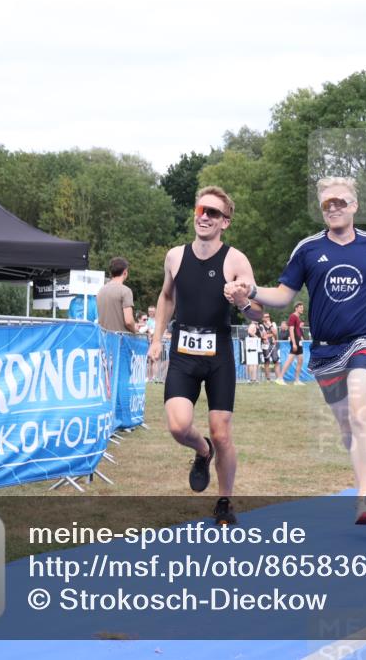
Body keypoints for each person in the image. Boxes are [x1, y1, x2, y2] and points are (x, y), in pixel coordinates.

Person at [226, 176, 366, 524]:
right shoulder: (306, 249)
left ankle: (363, 498)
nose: (333, 208)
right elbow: (283, 295)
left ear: (354, 206)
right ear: (322, 210)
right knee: (347, 428)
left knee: (361, 411)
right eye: (327, 204)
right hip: (324, 352)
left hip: (365, 341)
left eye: (340, 202)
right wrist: (252, 293)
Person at [147, 186, 258, 525]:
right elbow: (166, 298)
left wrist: (240, 301)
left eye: (213, 213)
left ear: (225, 221)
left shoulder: (236, 260)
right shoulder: (175, 256)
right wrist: (157, 338)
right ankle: (202, 450)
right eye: (201, 211)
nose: (205, 217)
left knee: (222, 431)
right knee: (179, 427)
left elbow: (257, 313)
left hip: (219, 353)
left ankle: (224, 501)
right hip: (182, 351)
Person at [96, 257, 137, 333]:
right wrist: (136, 331)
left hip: (104, 340)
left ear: (111, 273)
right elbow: (129, 321)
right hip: (121, 341)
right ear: (125, 272)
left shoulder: (100, 291)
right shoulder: (125, 291)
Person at [276, 302, 306, 385]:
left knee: (300, 360)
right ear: (296, 308)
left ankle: (296, 380)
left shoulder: (297, 317)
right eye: (300, 307)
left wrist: (300, 340)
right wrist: (294, 343)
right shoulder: (293, 316)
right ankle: (280, 378)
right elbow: (291, 330)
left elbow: (297, 330)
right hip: (295, 341)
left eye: (302, 307)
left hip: (298, 341)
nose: (302, 309)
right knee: (289, 360)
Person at [259, 313, 280, 381]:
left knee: (276, 361)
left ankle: (278, 379)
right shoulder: (261, 326)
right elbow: (264, 336)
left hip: (273, 345)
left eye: (268, 316)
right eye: (266, 317)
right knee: (267, 362)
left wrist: (270, 325)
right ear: (263, 318)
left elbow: (276, 333)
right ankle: (268, 379)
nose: (268, 318)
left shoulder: (272, 324)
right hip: (265, 345)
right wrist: (272, 335)